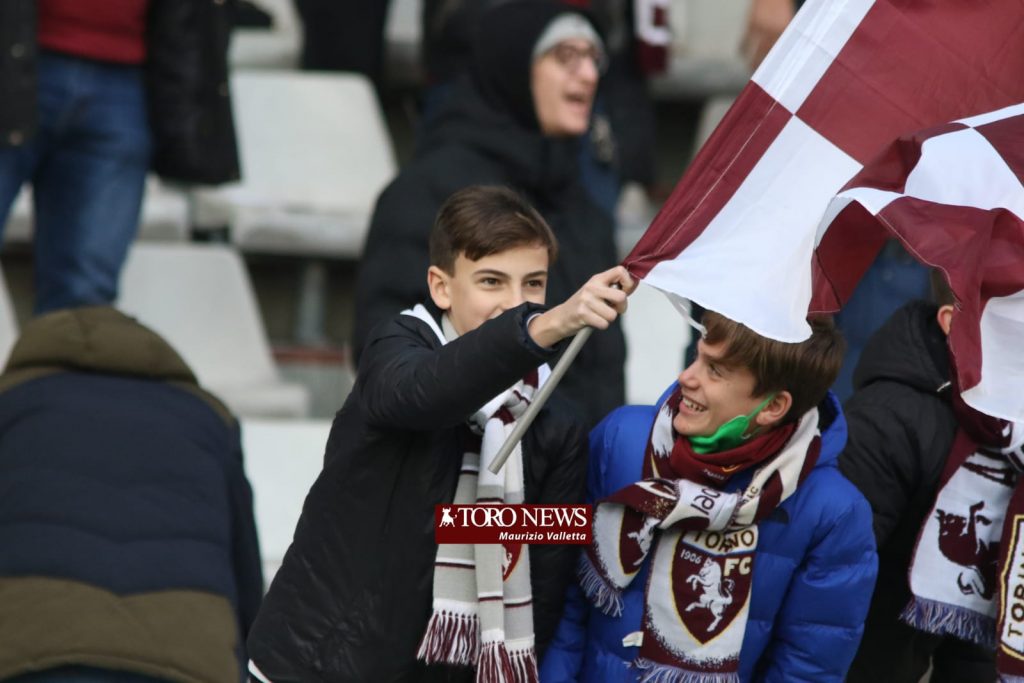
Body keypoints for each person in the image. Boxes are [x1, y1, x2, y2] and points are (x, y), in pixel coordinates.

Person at [248, 186, 636, 682]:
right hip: (310, 667)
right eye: (492, 281)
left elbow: (544, 576)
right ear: (441, 287)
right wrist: (544, 326)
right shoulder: (396, 347)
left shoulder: (557, 421)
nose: (516, 303)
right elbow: (427, 393)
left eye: (534, 284)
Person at [541, 311, 877, 681]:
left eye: (715, 370)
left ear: (773, 407)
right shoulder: (622, 437)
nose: (686, 377)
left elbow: (807, 667)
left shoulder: (834, 513)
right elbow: (559, 579)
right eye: (698, 356)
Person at [354, 0, 624, 429]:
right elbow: (389, 358)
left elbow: (602, 368)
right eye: (565, 56)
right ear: (512, 64)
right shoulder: (428, 191)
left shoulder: (584, 204)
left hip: (565, 464)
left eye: (594, 57)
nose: (589, 74)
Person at [0, 306, 262, 683]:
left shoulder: (10, 403)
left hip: (31, 650)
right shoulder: (209, 417)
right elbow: (245, 566)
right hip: (189, 653)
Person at [0, 0, 238, 314]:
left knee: (85, 296)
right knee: (84, 291)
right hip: (12, 51)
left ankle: (71, 348)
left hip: (127, 75)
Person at [840, 273, 1000, 682]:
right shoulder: (887, 422)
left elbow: (976, 622)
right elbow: (827, 588)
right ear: (952, 323)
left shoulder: (1004, 425)